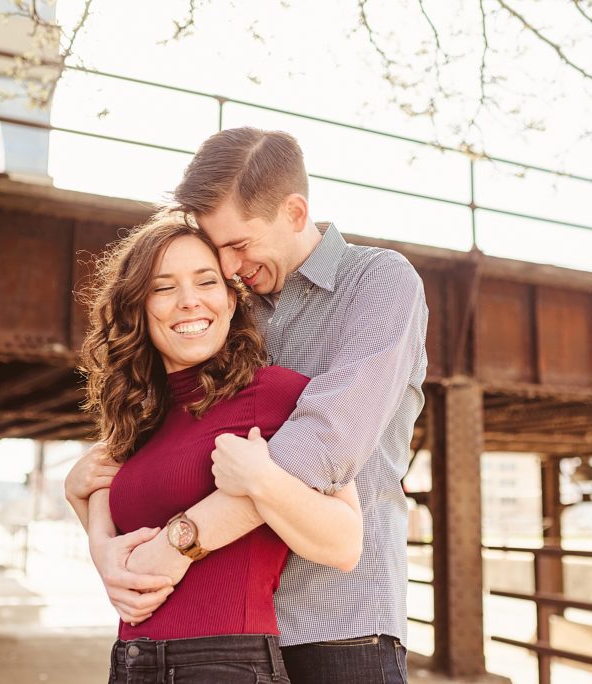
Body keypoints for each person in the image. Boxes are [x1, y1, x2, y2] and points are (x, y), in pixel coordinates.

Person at [67, 127, 428, 684]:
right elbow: (171, 436)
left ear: (294, 210)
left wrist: (177, 542)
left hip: (341, 622)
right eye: (218, 251)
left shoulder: (377, 281)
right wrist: (98, 530)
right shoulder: (229, 305)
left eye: (238, 245)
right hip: (235, 633)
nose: (229, 267)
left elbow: (324, 442)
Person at [78, 211, 364, 683]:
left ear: (232, 300)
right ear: (139, 308)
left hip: (225, 662)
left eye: (206, 281)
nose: (189, 302)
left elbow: (345, 542)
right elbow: (119, 544)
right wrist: (93, 534)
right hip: (130, 662)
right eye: (163, 287)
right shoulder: (139, 419)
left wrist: (262, 480)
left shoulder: (276, 394)